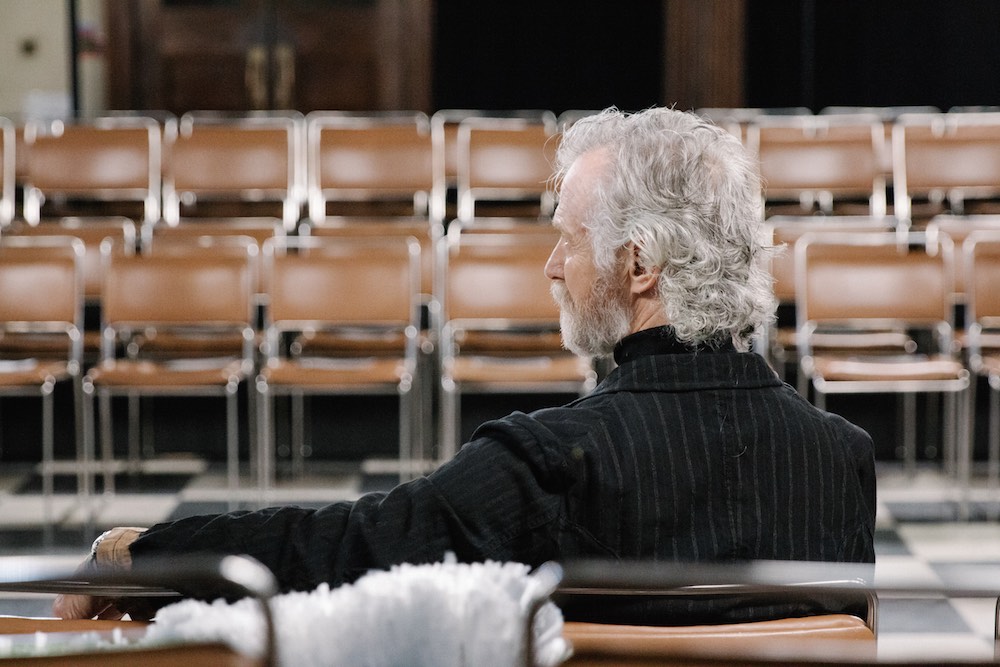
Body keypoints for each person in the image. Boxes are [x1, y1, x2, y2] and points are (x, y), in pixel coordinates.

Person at [55, 107, 876, 623]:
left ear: (638, 264)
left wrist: (140, 552)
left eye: (568, 239)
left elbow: (338, 550)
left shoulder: (548, 463)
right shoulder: (843, 458)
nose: (553, 266)